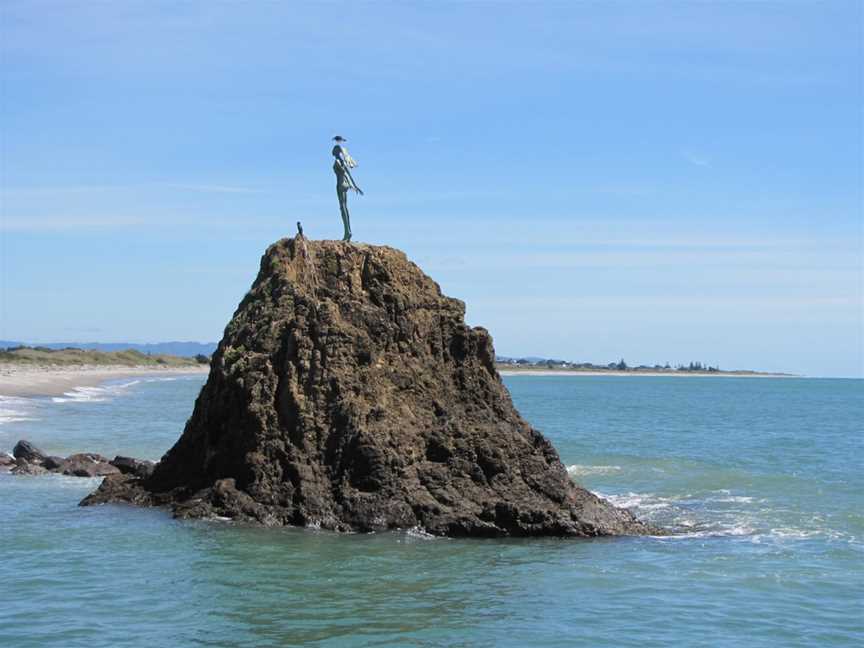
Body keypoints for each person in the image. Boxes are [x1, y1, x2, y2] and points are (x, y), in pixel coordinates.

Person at [331, 136, 363, 242]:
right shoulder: (343, 162)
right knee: (345, 208)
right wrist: (354, 185)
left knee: (342, 208)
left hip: (340, 185)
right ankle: (348, 231)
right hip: (345, 184)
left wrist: (354, 186)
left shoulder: (337, 162)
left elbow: (344, 174)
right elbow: (348, 174)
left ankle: (347, 232)